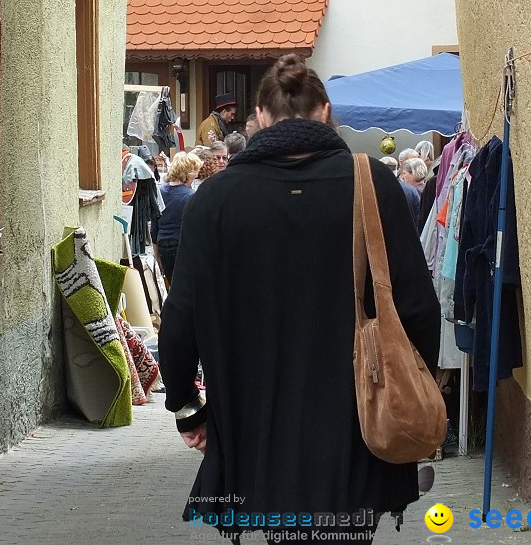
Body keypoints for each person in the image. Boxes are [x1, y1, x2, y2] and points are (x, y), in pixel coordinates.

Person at [159, 53, 440, 545]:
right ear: (325, 111)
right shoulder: (372, 184)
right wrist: (414, 389)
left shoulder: (215, 200)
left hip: (256, 432)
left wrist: (189, 408)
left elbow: (179, 321)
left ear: (260, 118)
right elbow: (418, 307)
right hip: (356, 429)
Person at [150, 151, 202, 282]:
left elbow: (154, 227)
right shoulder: (191, 196)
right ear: (189, 173)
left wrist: (157, 257)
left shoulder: (159, 191)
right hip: (182, 246)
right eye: (195, 172)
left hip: (162, 245)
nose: (196, 175)